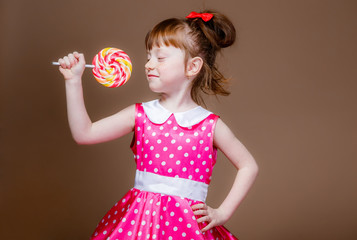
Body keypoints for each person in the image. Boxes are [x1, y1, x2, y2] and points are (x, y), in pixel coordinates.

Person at [57, 10, 258, 240]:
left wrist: (222, 212)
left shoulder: (208, 125)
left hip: (188, 228)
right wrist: (73, 82)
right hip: (138, 224)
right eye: (148, 56)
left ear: (192, 67)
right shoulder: (140, 115)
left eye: (160, 58)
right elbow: (84, 133)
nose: (149, 64)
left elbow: (248, 166)